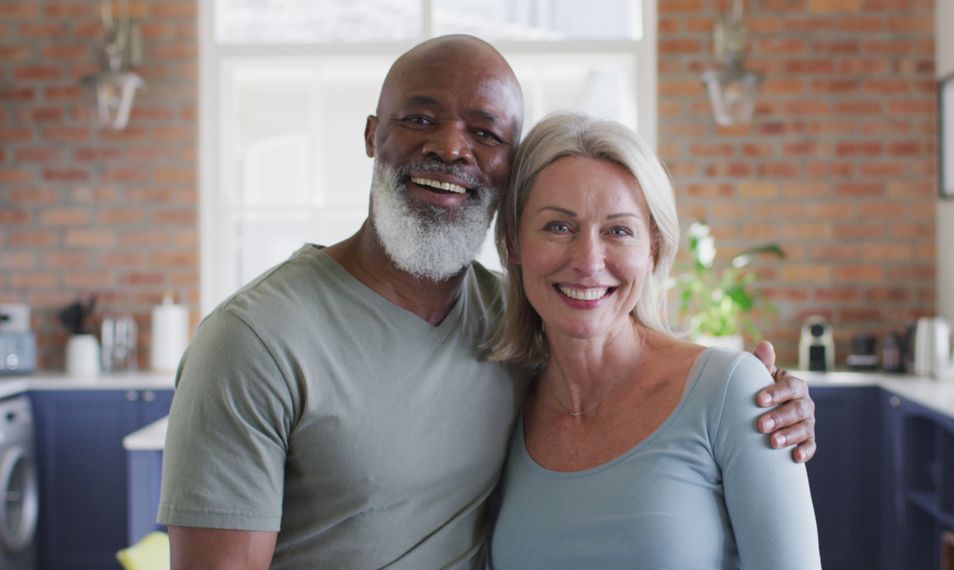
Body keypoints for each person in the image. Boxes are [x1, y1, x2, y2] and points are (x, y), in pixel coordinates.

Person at [158, 35, 817, 569]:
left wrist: (768, 400)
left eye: (485, 132)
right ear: (370, 136)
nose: (449, 147)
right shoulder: (252, 340)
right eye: (419, 118)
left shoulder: (519, 328)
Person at [487, 112, 821, 568]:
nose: (588, 260)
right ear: (512, 242)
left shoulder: (730, 390)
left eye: (618, 231)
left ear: (653, 249)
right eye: (558, 226)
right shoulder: (503, 403)